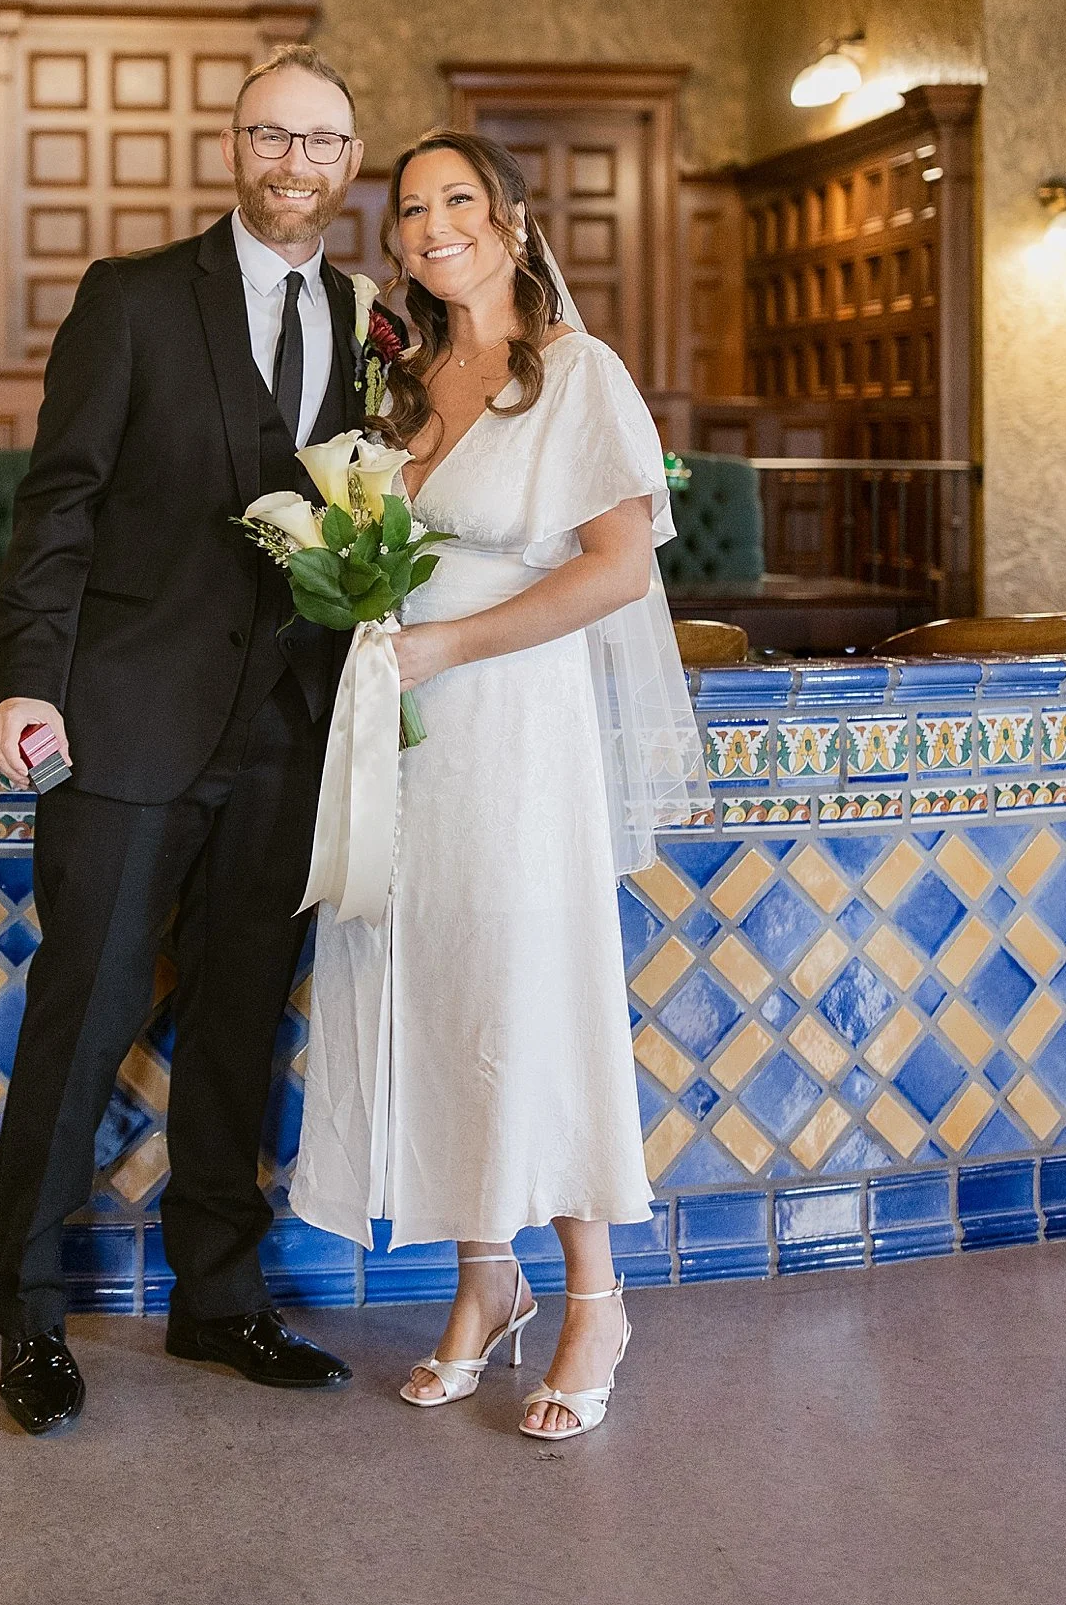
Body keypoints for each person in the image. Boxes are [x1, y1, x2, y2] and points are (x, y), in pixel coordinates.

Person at [0, 42, 376, 1434]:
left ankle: (218, 1300)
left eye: (321, 142)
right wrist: (29, 680)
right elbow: (60, 506)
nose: (294, 163)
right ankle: (28, 1324)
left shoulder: (372, 320)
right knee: (82, 1020)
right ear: (234, 148)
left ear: (350, 162)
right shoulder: (135, 299)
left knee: (235, 1031)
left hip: (292, 737)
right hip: (129, 721)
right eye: (271, 137)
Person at [290, 127, 705, 1441]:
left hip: (515, 724)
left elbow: (617, 570)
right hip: (408, 731)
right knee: (423, 984)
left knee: (529, 989)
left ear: (514, 220)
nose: (431, 227)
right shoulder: (405, 384)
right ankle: (485, 1282)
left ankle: (596, 1295)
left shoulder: (578, 376)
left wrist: (446, 644)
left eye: (457, 201)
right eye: (410, 210)